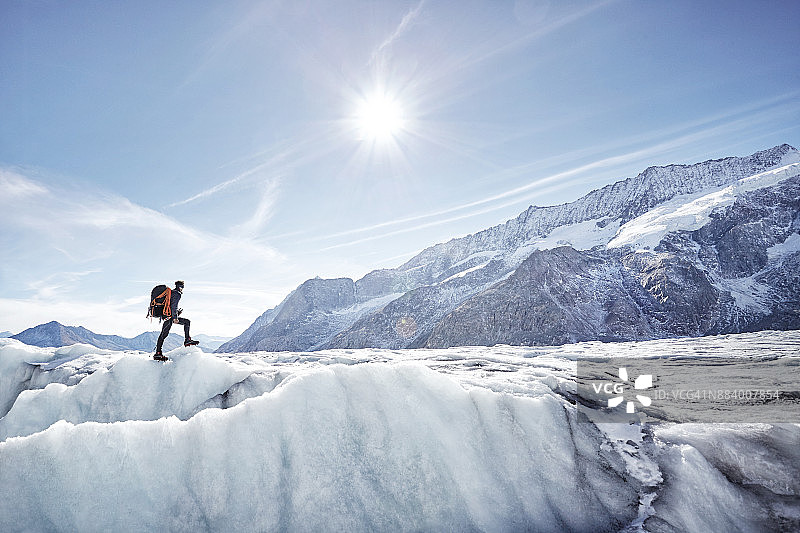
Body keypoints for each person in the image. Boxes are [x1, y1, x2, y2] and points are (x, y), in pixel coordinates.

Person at [154, 280, 199, 361]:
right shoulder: (177, 294)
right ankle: (158, 353)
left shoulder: (172, 293)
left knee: (164, 334)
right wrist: (175, 317)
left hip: (168, 316)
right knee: (164, 334)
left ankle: (158, 352)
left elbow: (171, 305)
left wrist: (177, 314)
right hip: (170, 317)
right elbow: (173, 306)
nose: (182, 288)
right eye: (182, 287)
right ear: (180, 287)